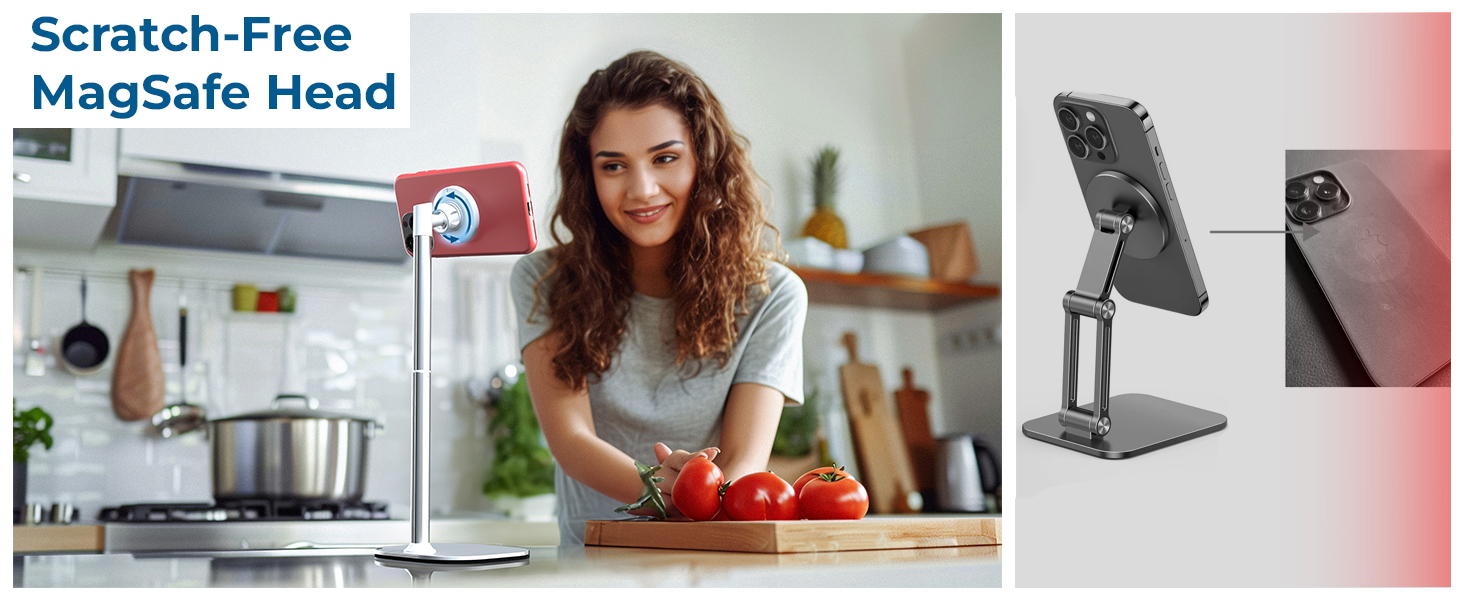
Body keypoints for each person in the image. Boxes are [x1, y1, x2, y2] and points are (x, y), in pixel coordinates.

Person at [510, 50, 807, 544]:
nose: (642, 189)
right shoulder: (543, 280)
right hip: (590, 563)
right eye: (613, 166)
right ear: (588, 178)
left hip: (711, 558)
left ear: (704, 161)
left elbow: (743, 461)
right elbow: (572, 441)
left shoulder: (773, 294)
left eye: (665, 158)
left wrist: (690, 493)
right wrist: (666, 488)